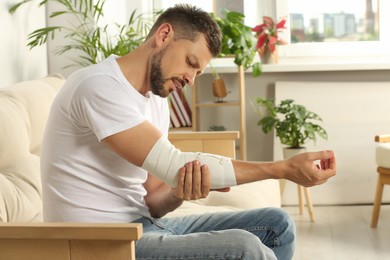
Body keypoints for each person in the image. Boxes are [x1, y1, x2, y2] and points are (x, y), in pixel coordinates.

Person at [41, 4, 336, 260]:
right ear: (164, 35)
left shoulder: (156, 101)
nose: (191, 80)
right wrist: (282, 168)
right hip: (100, 244)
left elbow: (154, 200)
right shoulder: (98, 86)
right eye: (191, 63)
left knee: (278, 225)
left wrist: (177, 193)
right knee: (244, 249)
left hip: (142, 227)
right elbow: (173, 165)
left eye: (198, 73)